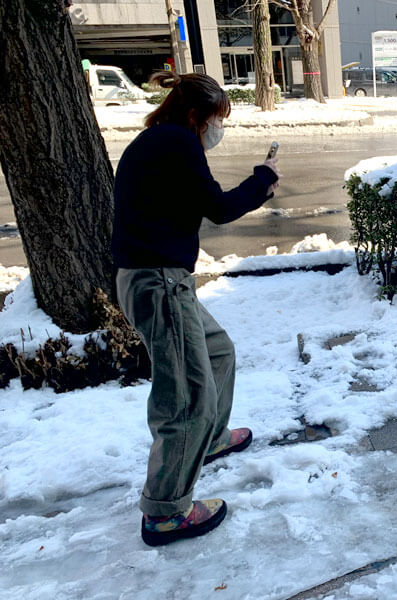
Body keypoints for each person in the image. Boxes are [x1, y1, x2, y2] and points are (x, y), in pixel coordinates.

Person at [112, 71, 281, 546]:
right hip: (159, 284)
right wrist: (263, 179)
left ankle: (207, 441)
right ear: (194, 116)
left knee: (218, 352)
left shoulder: (158, 142)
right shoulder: (175, 143)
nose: (216, 130)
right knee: (186, 397)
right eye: (215, 120)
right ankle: (165, 512)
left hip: (159, 282)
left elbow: (198, 204)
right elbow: (219, 208)